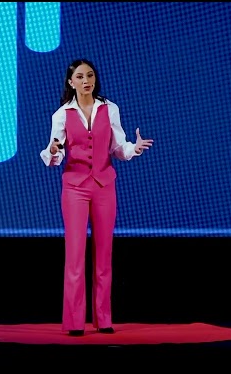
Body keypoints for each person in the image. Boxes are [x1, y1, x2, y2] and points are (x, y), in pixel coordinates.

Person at [40, 59, 153, 336]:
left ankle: (104, 318)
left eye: (89, 75)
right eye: (80, 77)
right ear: (71, 82)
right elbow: (55, 153)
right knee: (75, 255)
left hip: (104, 185)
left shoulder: (109, 108)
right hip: (75, 187)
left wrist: (133, 148)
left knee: (104, 254)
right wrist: (53, 150)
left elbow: (118, 147)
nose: (86, 81)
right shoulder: (61, 114)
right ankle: (74, 322)